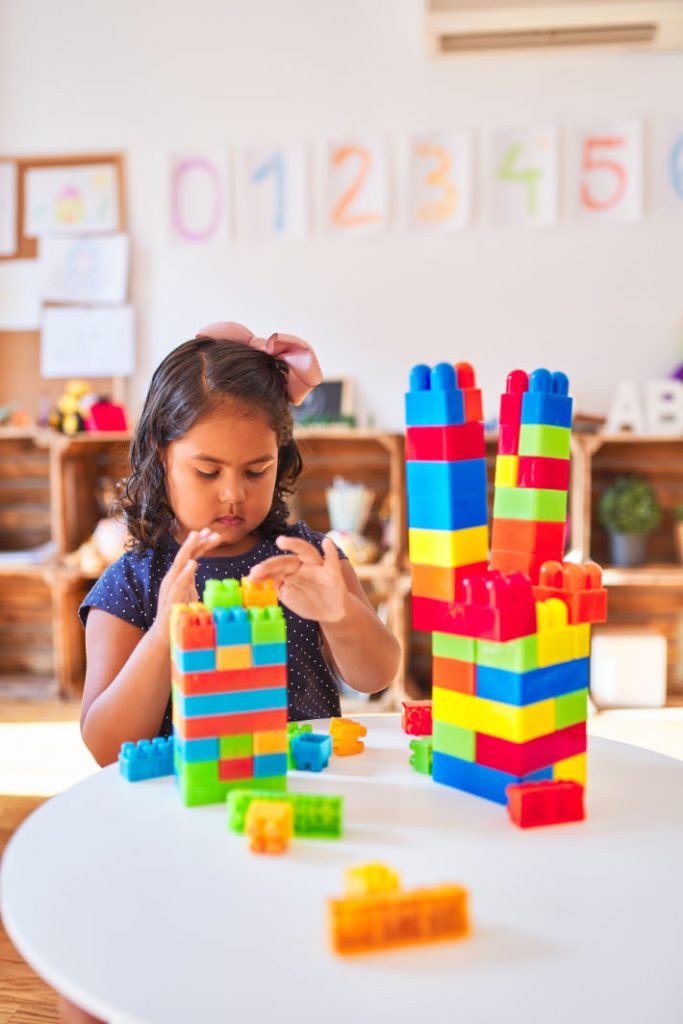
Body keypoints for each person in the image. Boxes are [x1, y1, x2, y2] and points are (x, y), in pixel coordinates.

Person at [79, 321, 401, 768]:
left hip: (300, 789)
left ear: (280, 458)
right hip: (185, 801)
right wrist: (161, 639)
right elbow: (104, 746)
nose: (233, 494)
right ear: (160, 455)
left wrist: (341, 614)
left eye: (256, 471)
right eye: (208, 472)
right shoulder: (133, 582)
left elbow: (376, 676)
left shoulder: (302, 557)